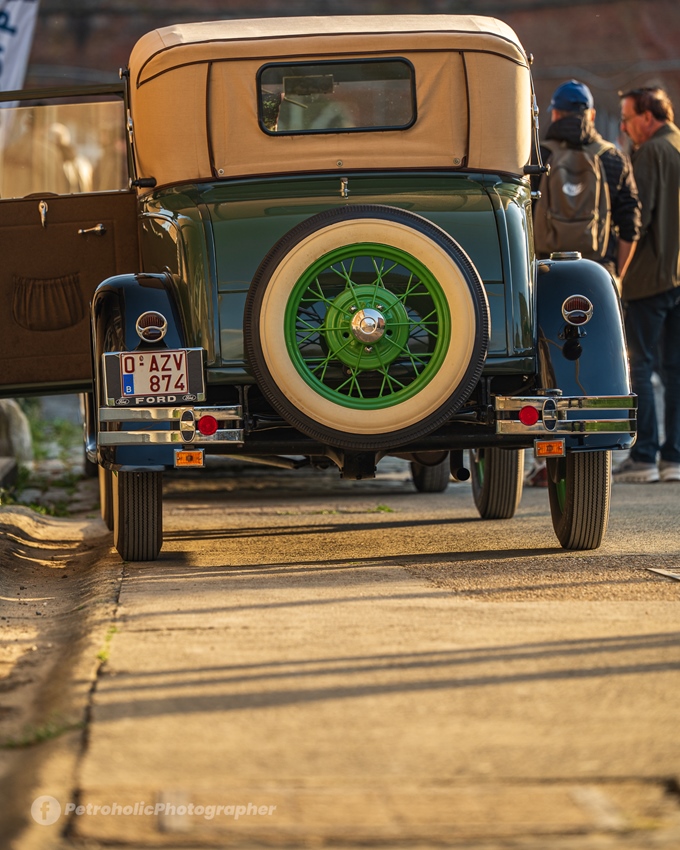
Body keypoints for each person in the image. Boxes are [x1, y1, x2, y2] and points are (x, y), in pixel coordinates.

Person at [526, 80, 642, 486]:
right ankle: (595, 446)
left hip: (543, 272)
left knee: (541, 361)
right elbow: (630, 223)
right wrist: (615, 276)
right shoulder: (611, 157)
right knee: (601, 360)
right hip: (597, 272)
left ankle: (545, 456)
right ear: (590, 114)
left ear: (556, 113)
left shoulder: (537, 155)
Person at [613, 87, 680, 483]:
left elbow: (637, 219)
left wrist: (618, 269)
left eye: (627, 118)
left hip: (649, 278)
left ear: (648, 118)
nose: (624, 127)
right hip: (676, 276)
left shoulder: (652, 152)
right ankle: (674, 458)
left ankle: (644, 456)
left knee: (640, 365)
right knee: (674, 369)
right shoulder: (677, 144)